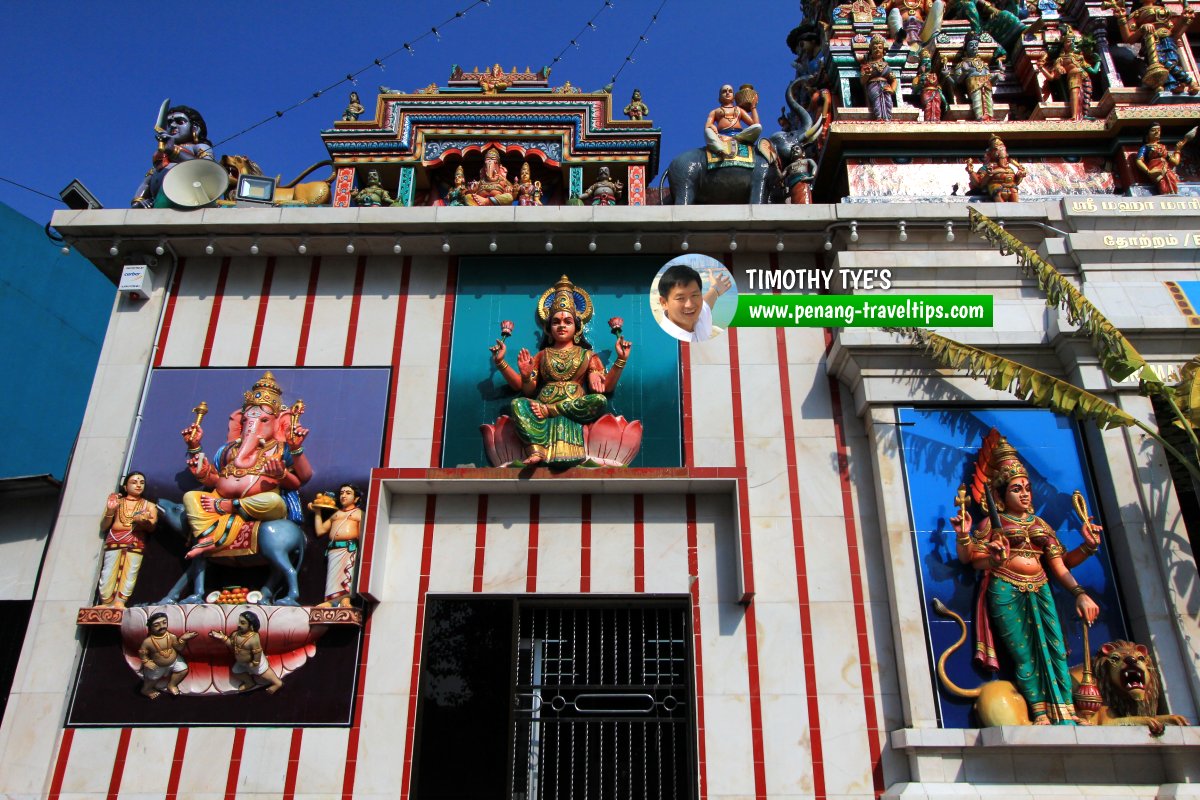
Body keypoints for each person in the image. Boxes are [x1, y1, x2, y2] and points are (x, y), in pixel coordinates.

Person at [951, 434, 1100, 724]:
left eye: (1027, 488)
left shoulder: (1041, 525)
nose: (1025, 494)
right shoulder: (992, 524)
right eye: (1016, 489)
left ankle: (1066, 710)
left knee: (1055, 650)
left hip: (1041, 590)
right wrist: (967, 538)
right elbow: (970, 558)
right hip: (1005, 588)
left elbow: (1060, 566)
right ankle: (1040, 712)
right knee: (1024, 654)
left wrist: (1085, 564)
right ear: (1001, 495)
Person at [488, 275, 632, 467]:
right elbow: (528, 390)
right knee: (518, 404)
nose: (562, 325)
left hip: (571, 407)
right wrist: (507, 366)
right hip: (541, 407)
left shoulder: (587, 356)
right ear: (549, 329)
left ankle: (552, 412)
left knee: (599, 401)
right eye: (556, 322)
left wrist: (620, 359)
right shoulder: (542, 355)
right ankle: (536, 449)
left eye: (567, 321)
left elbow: (604, 388)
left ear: (577, 328)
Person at [181, 371, 311, 558]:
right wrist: (199, 464)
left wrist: (283, 471)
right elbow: (215, 480)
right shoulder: (230, 449)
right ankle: (207, 536)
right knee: (191, 497)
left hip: (259, 504)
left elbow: (303, 478)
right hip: (218, 499)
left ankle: (228, 507)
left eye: (263, 421)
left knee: (274, 502)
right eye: (246, 421)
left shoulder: (280, 449)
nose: (252, 427)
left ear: (279, 424)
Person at [132, 105, 214, 208]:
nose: (173, 125)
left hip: (189, 197)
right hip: (159, 201)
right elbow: (147, 182)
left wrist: (174, 151)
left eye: (180, 121)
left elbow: (207, 169)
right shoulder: (163, 154)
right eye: (169, 123)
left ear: (195, 128)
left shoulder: (199, 147)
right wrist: (138, 200)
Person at [96, 471, 157, 609]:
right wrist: (111, 511)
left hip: (135, 541)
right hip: (115, 539)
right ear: (125, 486)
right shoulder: (118, 502)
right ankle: (106, 602)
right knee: (109, 572)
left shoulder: (148, 505)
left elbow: (152, 527)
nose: (138, 485)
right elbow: (104, 526)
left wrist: (143, 521)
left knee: (129, 573)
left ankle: (120, 602)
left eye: (141, 483)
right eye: (134, 482)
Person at [1112, 0, 1198, 94]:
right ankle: (1189, 82)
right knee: (1161, 62)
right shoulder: (1137, 14)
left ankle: (1173, 86)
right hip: (1151, 41)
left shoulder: (1163, 9)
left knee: (1171, 62)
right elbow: (1128, 39)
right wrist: (1137, 26)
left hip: (1167, 40)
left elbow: (1175, 34)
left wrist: (1184, 20)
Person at [309, 484, 363, 607]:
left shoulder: (359, 514)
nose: (344, 495)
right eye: (342, 493)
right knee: (333, 576)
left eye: (348, 493)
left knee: (348, 574)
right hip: (334, 549)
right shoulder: (336, 514)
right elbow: (320, 530)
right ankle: (330, 601)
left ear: (356, 498)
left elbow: (362, 535)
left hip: (349, 549)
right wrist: (317, 512)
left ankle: (345, 600)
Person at [210, 611, 284, 694]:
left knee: (263, 672)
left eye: (242, 623)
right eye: (239, 621)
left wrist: (255, 662)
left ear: (251, 626)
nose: (238, 625)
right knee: (236, 671)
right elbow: (231, 645)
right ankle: (249, 682)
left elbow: (257, 652)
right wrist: (223, 638)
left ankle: (277, 683)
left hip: (254, 662)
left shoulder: (253, 639)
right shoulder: (236, 634)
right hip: (242, 662)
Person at [656, 263, 733, 343]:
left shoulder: (700, 317)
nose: (690, 305)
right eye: (680, 298)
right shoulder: (662, 341)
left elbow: (707, 303)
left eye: (695, 295)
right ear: (664, 303)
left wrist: (715, 289)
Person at [1036, 27, 1099, 121]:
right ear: (1064, 44)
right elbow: (1052, 77)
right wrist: (1041, 68)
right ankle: (1074, 116)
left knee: (1085, 96)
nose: (1071, 43)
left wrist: (1098, 61)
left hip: (1085, 78)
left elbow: (1094, 71)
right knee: (1075, 93)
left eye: (1073, 41)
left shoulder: (1079, 57)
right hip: (1073, 78)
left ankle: (1084, 114)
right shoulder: (1060, 60)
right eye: (1069, 41)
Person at [944, 34, 1004, 121]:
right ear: (966, 48)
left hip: (986, 85)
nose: (974, 47)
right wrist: (963, 73)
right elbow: (957, 82)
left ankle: (989, 116)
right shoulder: (962, 64)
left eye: (976, 45)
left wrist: (998, 75)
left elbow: (990, 80)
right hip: (974, 85)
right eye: (971, 45)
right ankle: (980, 117)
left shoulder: (983, 64)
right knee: (977, 102)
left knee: (989, 101)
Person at [138, 612, 197, 699]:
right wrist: (146, 662)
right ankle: (146, 689)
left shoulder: (171, 636)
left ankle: (172, 685)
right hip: (158, 665)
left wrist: (183, 639)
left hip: (174, 660)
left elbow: (179, 648)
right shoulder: (148, 641)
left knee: (183, 670)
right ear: (150, 627)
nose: (162, 626)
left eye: (164, 622)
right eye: (156, 625)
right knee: (152, 679)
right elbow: (142, 653)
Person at [704, 84, 762, 159]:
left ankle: (733, 139)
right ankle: (720, 149)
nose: (727, 93)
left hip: (739, 135)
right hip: (722, 135)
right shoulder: (715, 112)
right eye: (724, 91)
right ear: (719, 98)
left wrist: (753, 107)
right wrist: (713, 127)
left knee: (758, 127)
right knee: (707, 131)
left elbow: (755, 124)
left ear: (734, 97)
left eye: (730, 91)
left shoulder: (739, 110)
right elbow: (708, 125)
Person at [967, 135, 1027, 202]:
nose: (1001, 151)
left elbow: (1015, 181)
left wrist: (1020, 176)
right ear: (991, 153)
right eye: (997, 149)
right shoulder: (987, 167)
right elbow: (980, 184)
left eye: (1002, 148)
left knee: (1014, 192)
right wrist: (973, 172)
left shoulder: (1010, 167)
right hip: (995, 190)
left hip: (1011, 188)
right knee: (997, 192)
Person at [1135, 123, 1186, 195]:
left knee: (1172, 182)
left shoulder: (1163, 147)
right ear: (1147, 134)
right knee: (1163, 186)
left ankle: (1173, 196)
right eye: (1153, 130)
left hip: (1167, 170)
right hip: (1156, 170)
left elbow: (1175, 162)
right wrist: (1148, 171)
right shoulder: (1145, 147)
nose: (1156, 132)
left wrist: (1178, 150)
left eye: (1158, 130)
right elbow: (1139, 160)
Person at [860, 34, 898, 121]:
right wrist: (867, 74)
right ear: (871, 50)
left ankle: (887, 118)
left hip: (885, 86)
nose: (877, 50)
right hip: (873, 86)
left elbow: (894, 80)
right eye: (874, 48)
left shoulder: (886, 66)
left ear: (883, 50)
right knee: (877, 100)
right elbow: (862, 81)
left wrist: (892, 89)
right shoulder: (867, 65)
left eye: (880, 47)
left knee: (887, 101)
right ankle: (879, 117)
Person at [915, 48, 945, 122]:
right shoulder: (918, 77)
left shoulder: (934, 75)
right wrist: (921, 79)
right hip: (926, 93)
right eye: (925, 63)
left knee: (937, 106)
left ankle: (936, 119)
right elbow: (915, 88)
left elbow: (939, 87)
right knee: (928, 106)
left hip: (936, 93)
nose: (927, 64)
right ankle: (928, 120)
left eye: (929, 62)